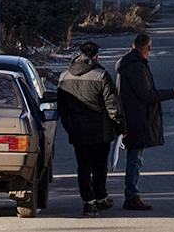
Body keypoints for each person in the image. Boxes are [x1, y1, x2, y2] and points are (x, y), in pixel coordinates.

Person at [115, 33, 174, 211]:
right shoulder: (137, 67)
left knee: (134, 157)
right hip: (137, 120)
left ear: (133, 46)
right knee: (135, 158)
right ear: (148, 48)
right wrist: (172, 93)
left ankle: (132, 194)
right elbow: (147, 95)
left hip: (131, 117)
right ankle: (132, 195)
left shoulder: (128, 64)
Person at [57, 41, 126, 217]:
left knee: (83, 166)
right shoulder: (101, 76)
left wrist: (70, 126)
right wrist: (120, 127)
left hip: (77, 131)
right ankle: (100, 197)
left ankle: (88, 202)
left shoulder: (64, 76)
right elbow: (113, 105)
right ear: (96, 56)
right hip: (100, 131)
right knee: (99, 166)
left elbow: (62, 109)